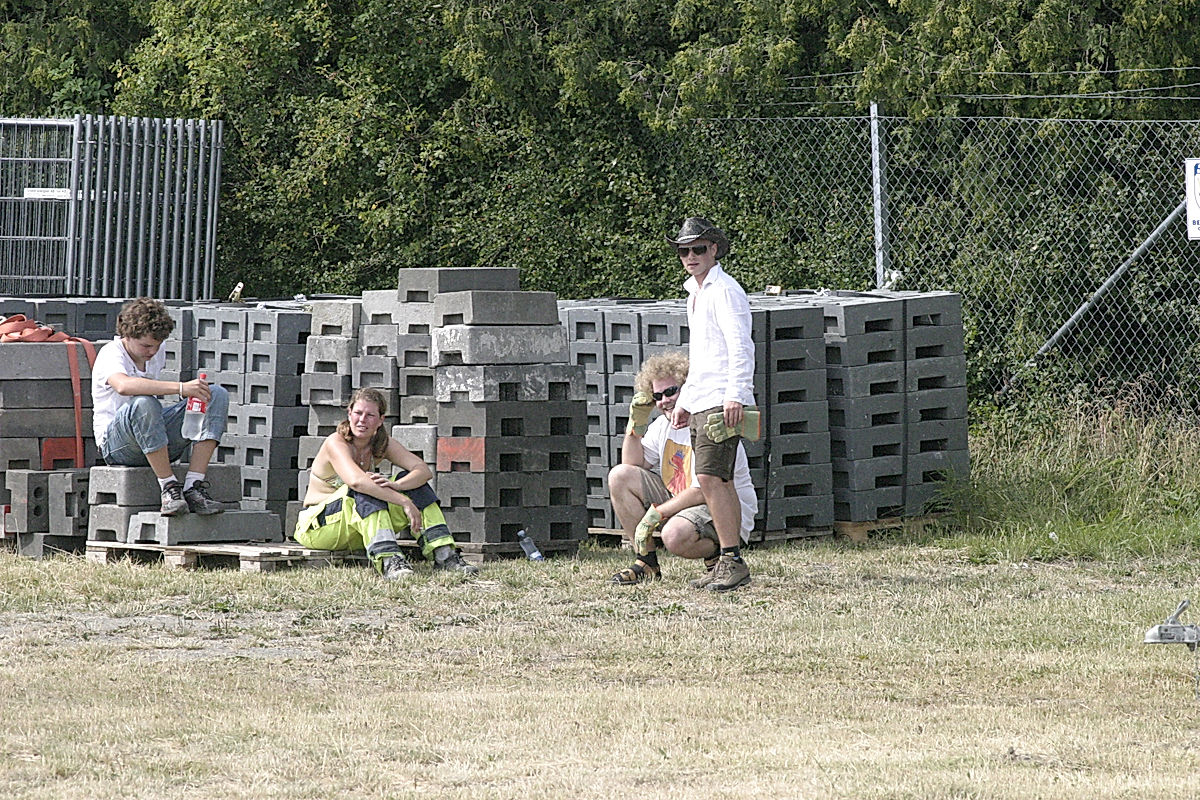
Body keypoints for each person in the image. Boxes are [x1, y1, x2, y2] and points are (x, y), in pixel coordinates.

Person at [294, 387, 478, 579]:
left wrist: (399, 486)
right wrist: (404, 502)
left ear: (381, 420)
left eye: (370, 415)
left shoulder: (382, 443)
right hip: (319, 528)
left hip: (357, 531)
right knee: (365, 486)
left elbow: (423, 471)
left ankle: (445, 556)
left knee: (412, 484)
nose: (362, 420)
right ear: (349, 414)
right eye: (357, 413)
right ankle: (390, 561)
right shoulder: (336, 442)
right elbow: (356, 482)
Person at [608, 351, 757, 586]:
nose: (664, 400)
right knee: (619, 476)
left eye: (671, 391)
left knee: (674, 536)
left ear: (688, 388)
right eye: (657, 395)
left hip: (722, 508)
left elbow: (704, 489)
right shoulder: (661, 425)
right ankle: (645, 562)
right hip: (683, 503)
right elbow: (632, 466)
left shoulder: (707, 424)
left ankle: (719, 557)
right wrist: (635, 424)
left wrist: (656, 514)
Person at [666, 217, 758, 591]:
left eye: (698, 249)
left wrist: (736, 393)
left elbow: (741, 346)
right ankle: (727, 560)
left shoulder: (724, 290)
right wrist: (686, 400)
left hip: (722, 400)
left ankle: (731, 560)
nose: (691, 256)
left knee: (712, 478)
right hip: (706, 399)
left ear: (714, 250)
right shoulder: (697, 293)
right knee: (716, 478)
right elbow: (702, 355)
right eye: (684, 250)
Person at [91, 297, 228, 516]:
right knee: (144, 402)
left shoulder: (155, 349)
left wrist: (194, 393)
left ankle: (193, 487)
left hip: (154, 437)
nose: (152, 351)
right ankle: (169, 487)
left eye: (156, 345)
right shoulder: (111, 353)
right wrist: (181, 388)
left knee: (215, 394)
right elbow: (124, 385)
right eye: (146, 345)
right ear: (127, 335)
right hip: (118, 446)